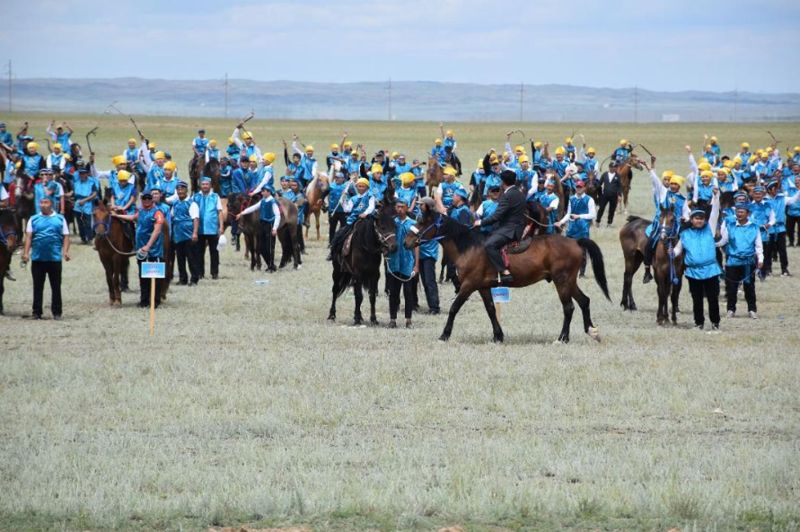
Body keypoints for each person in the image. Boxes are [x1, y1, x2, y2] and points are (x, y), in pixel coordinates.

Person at [673, 189, 725, 330]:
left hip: (711, 270)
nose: (699, 220)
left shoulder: (710, 228)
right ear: (691, 219)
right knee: (697, 300)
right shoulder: (684, 234)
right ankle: (699, 323)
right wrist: (671, 253)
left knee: (713, 299)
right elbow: (678, 249)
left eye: (701, 218)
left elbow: (715, 212)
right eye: (696, 218)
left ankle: (715, 323)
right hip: (693, 272)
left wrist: (716, 196)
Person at [112, 191, 166, 307]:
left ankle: (155, 301)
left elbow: (157, 231)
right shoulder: (141, 211)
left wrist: (148, 246)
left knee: (155, 277)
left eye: (148, 198)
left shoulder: (158, 213)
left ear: (152, 200)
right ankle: (144, 300)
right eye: (144, 199)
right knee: (143, 276)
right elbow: (132, 217)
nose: (146, 201)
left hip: (154, 251)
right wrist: (117, 216)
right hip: (141, 250)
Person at [473, 170, 527, 284]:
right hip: (517, 227)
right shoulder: (520, 193)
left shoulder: (507, 195)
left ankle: (504, 272)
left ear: (503, 182)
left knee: (489, 245)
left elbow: (497, 216)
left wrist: (480, 223)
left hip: (510, 230)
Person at [22, 196, 71, 319]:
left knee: (56, 287)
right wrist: (26, 253)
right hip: (38, 258)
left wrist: (65, 251)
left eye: (46, 202)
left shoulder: (60, 219)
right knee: (37, 287)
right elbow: (28, 237)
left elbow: (65, 236)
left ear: (52, 204)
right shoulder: (33, 219)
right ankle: (37, 312)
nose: (43, 205)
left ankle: (57, 312)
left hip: (54, 259)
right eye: (41, 202)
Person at [721, 202, 763, 319]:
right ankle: (730, 309)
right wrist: (713, 243)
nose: (739, 214)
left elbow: (758, 245)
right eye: (737, 212)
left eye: (741, 212)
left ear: (747, 213)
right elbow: (723, 240)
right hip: (733, 261)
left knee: (749, 287)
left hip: (748, 262)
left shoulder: (754, 227)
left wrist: (760, 258)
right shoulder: (730, 226)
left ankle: (752, 309)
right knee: (731, 287)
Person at [386, 201, 419, 329]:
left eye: (402, 207)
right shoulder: (392, 223)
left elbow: (416, 246)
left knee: (408, 292)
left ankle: (408, 319)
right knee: (393, 292)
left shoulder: (412, 224)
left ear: (407, 208)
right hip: (394, 263)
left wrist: (416, 265)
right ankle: (392, 319)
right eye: (397, 207)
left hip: (407, 262)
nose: (399, 209)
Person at [237, 185, 281, 272]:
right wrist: (242, 213)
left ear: (268, 192)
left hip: (270, 225)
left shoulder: (272, 202)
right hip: (262, 224)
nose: (262, 193)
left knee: (269, 247)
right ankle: (269, 264)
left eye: (264, 191)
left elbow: (277, 215)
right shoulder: (263, 201)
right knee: (261, 247)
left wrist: (275, 228)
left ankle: (271, 266)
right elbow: (253, 208)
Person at [556, 179, 596, 276]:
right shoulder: (571, 199)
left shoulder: (589, 199)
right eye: (577, 187)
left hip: (583, 229)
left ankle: (582, 273)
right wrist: (560, 222)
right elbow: (568, 214)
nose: (578, 189)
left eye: (580, 187)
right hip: (572, 229)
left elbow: (592, 214)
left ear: (584, 188)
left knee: (582, 252)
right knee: (567, 251)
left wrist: (579, 216)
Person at [166, 181, 200, 285]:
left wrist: (195, 233)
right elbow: (172, 217)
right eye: (178, 189)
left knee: (191, 258)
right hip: (177, 235)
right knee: (180, 259)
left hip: (188, 235)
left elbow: (195, 219)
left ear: (186, 190)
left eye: (182, 189)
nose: (180, 191)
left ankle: (194, 278)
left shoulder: (192, 203)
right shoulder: (175, 203)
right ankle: (183, 278)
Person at [764, 179, 800, 276]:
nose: (776, 189)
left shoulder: (782, 198)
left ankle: (784, 269)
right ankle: (768, 269)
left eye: (777, 187)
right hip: (769, 229)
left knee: (782, 250)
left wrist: (799, 191)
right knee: (768, 250)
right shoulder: (764, 201)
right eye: (774, 187)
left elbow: (793, 200)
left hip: (780, 228)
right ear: (769, 190)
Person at [193, 176, 224, 280]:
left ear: (210, 185)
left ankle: (214, 273)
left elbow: (220, 212)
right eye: (203, 184)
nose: (205, 186)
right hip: (200, 229)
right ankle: (200, 273)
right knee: (199, 252)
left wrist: (221, 227)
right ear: (200, 185)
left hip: (212, 229)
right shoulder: (196, 197)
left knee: (214, 252)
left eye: (207, 184)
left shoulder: (215, 197)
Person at [416, 197, 440, 315]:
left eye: (422, 205)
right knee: (425, 281)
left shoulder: (434, 218)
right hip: (419, 253)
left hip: (429, 254)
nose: (419, 206)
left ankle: (435, 307)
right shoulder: (420, 216)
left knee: (430, 281)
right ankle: (431, 305)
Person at [72, 164, 98, 244]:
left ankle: (89, 238)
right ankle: (83, 238)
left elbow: (94, 194)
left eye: (83, 173)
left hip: (87, 203)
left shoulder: (91, 182)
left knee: (87, 222)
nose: (82, 175)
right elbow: (73, 192)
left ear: (87, 173)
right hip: (77, 204)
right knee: (79, 222)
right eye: (80, 173)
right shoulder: (76, 182)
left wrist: (85, 200)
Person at [595, 161, 622, 227]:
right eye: (612, 167)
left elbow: (619, 186)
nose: (613, 168)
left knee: (612, 210)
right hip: (605, 195)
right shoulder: (605, 174)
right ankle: (598, 221)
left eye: (615, 167)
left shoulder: (618, 176)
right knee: (601, 208)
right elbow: (600, 183)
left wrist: (619, 195)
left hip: (614, 196)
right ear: (609, 167)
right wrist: (599, 192)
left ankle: (609, 223)